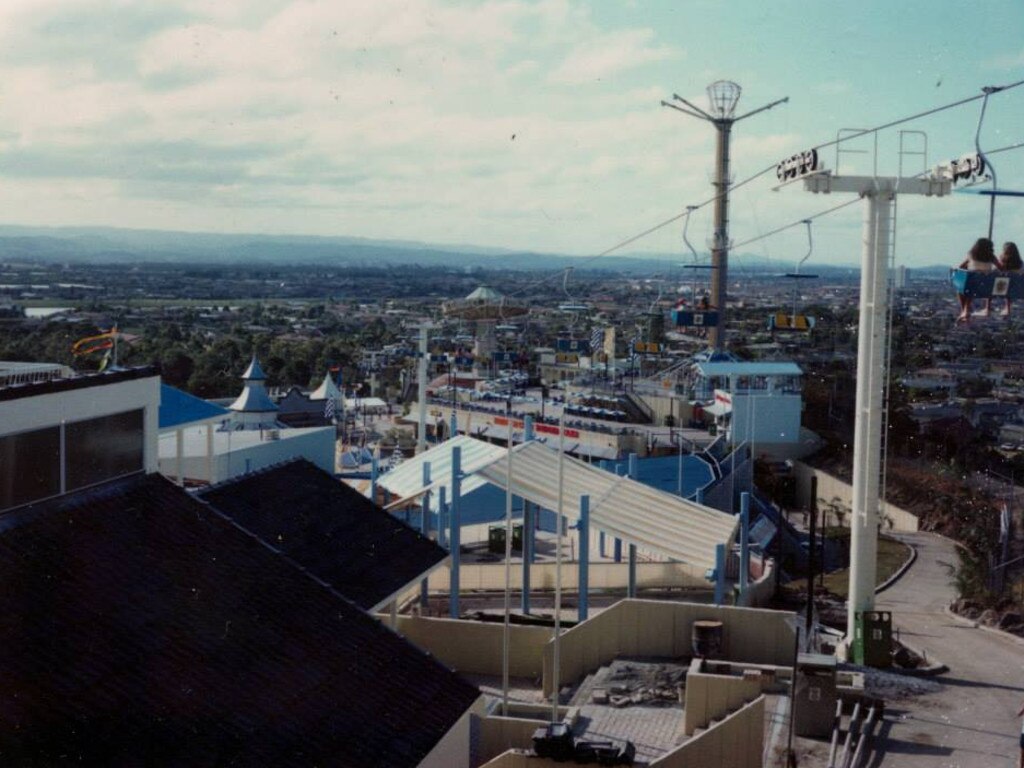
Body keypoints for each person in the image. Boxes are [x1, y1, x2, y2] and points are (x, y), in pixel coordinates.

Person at [956, 237, 997, 322]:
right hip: (987, 287)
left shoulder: (971, 254)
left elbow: (961, 267)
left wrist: (971, 267)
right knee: (975, 285)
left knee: (962, 290)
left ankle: (965, 310)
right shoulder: (991, 257)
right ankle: (981, 309)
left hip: (972, 286)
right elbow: (1001, 268)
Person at [997, 241, 1023, 317]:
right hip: (1019, 289)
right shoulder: (1020, 262)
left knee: (1005, 282)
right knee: (1010, 283)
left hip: (1001, 289)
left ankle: (1007, 308)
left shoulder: (1002, 260)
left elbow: (998, 270)